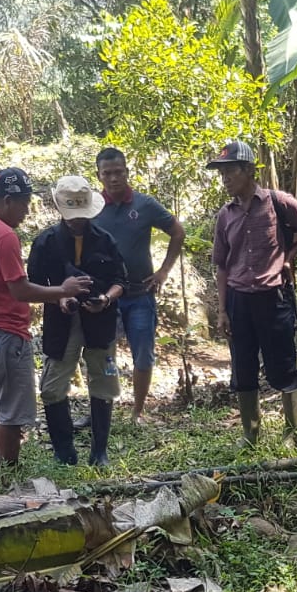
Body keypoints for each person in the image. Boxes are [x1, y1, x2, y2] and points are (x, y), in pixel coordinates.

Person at [0, 168, 89, 470]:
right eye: (24, 203)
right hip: (6, 334)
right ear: (8, 200)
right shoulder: (3, 235)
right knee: (10, 411)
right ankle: (10, 473)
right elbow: (20, 289)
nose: (27, 211)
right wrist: (61, 290)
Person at [208, 140, 297, 446]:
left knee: (283, 365)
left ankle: (292, 432)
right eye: (222, 173)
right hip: (238, 299)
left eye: (230, 171)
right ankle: (251, 433)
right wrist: (222, 310)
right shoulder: (225, 215)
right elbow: (221, 265)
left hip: (273, 297)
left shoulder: (277, 202)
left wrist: (290, 255)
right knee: (243, 367)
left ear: (248, 170)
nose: (225, 179)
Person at [28, 175, 129, 466]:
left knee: (104, 383)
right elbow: (32, 285)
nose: (77, 221)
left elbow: (121, 280)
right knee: (52, 386)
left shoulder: (105, 240)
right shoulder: (46, 242)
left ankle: (100, 451)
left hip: (101, 322)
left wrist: (106, 299)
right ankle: (64, 452)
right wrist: (59, 297)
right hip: (61, 324)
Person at [94, 147, 186, 423]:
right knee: (103, 355)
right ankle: (103, 408)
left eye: (118, 172)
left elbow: (177, 231)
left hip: (139, 294)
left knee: (143, 354)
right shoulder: (93, 208)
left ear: (127, 171)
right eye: (107, 173)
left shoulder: (144, 205)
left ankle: (137, 411)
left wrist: (164, 271)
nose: (113, 178)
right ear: (98, 176)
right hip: (107, 296)